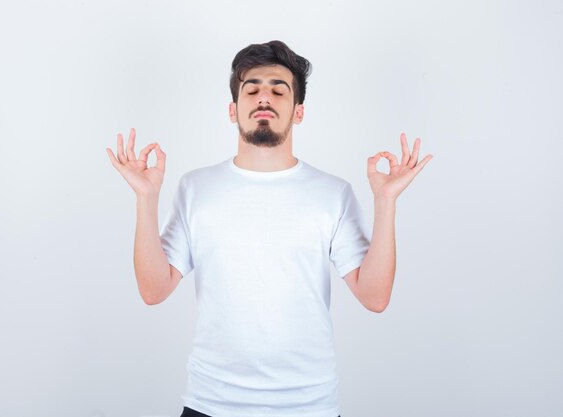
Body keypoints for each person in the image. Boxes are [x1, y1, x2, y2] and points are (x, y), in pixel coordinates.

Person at [106, 40, 432, 417]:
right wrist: (146, 198)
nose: (265, 97)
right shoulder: (195, 187)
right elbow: (153, 290)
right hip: (211, 403)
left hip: (309, 406)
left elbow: (375, 298)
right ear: (233, 110)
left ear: (299, 112)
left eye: (279, 90)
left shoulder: (332, 193)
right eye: (252, 88)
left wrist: (385, 202)